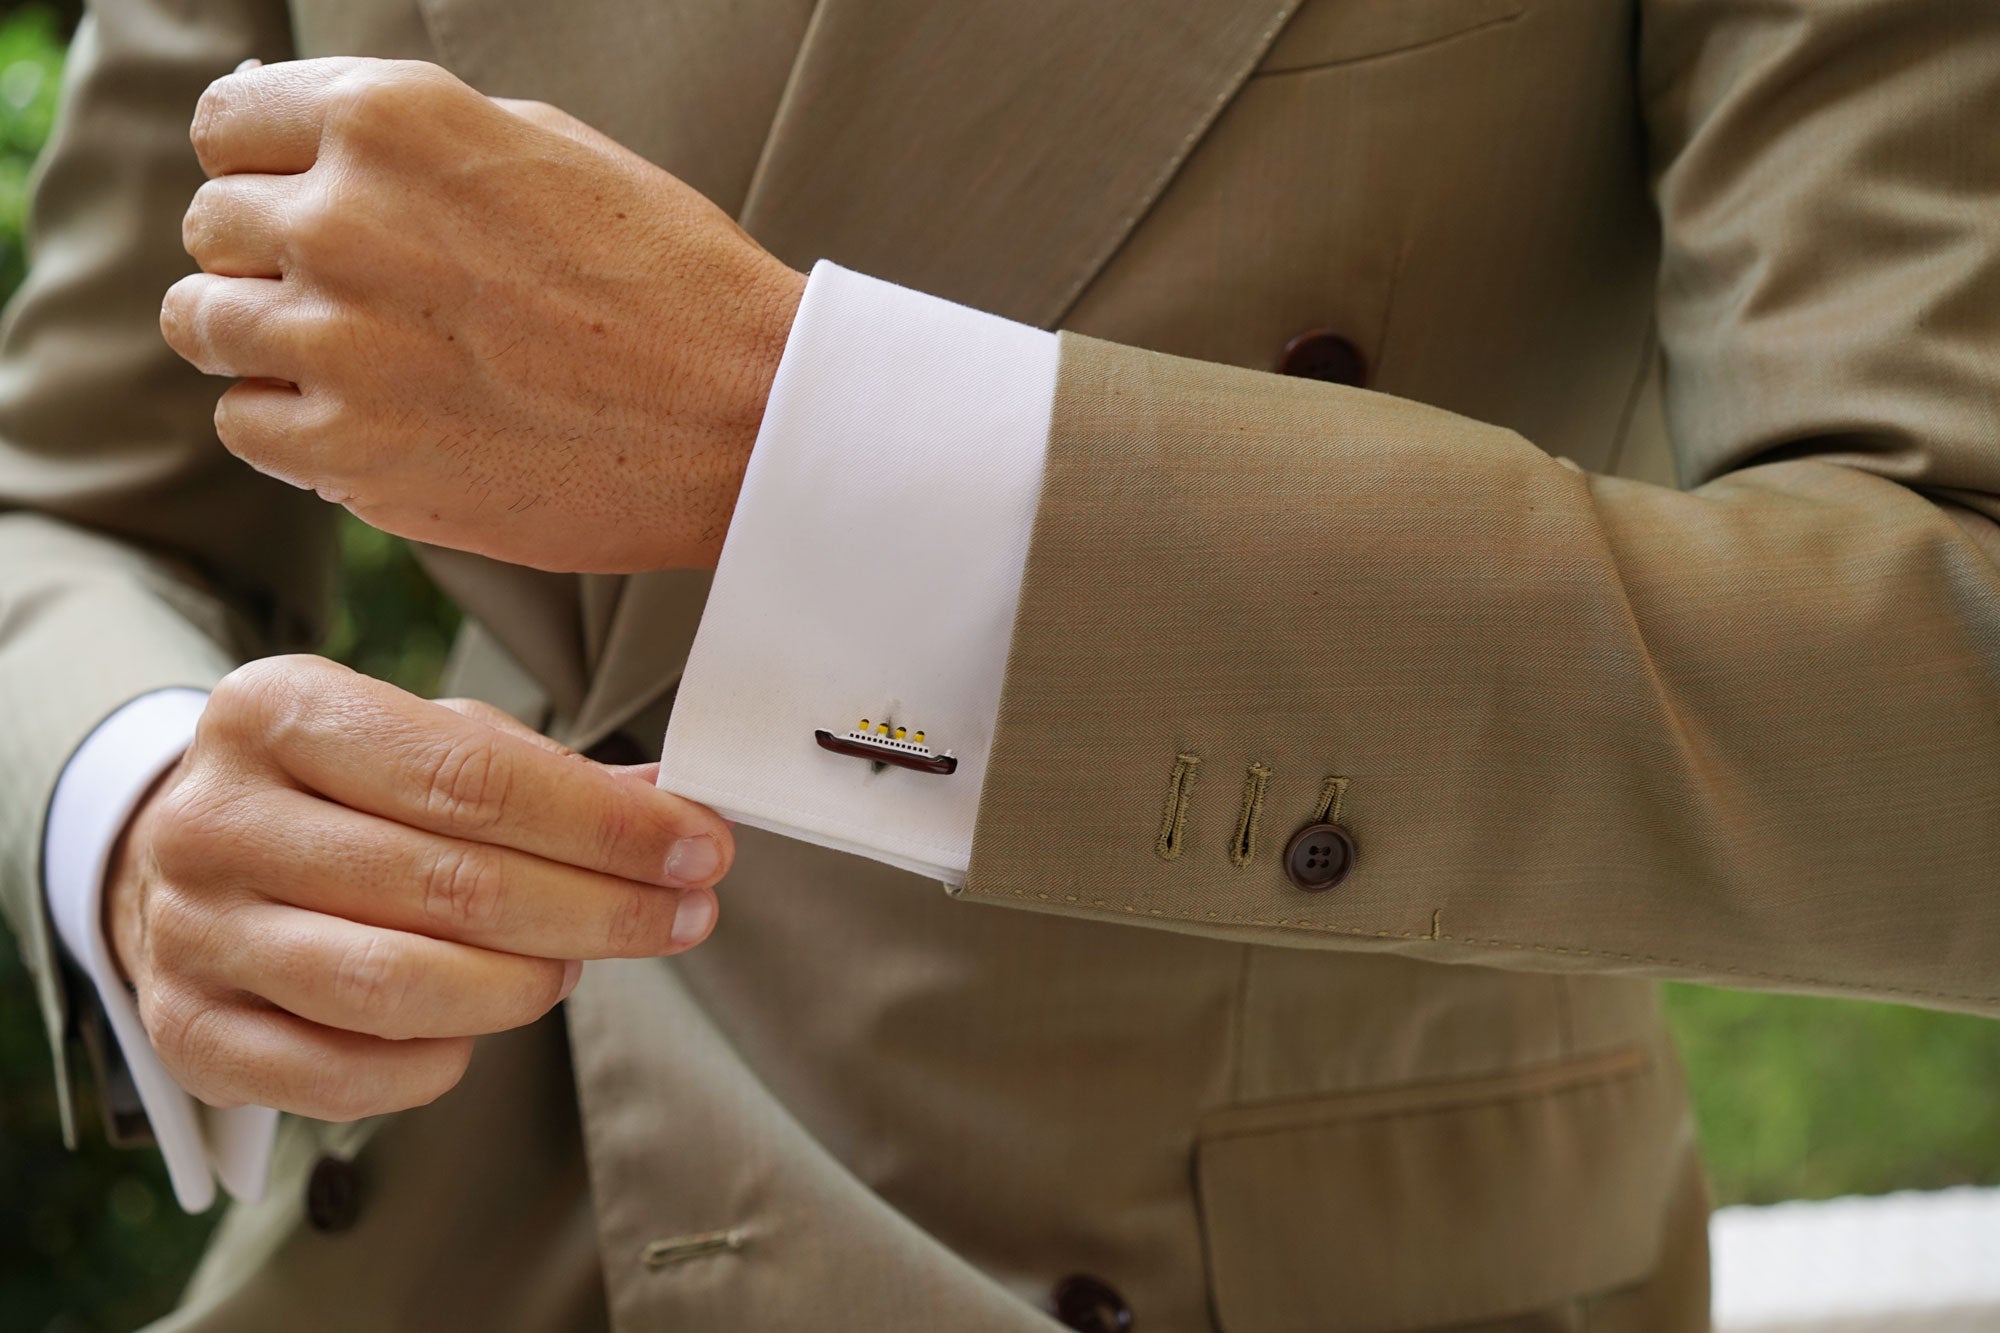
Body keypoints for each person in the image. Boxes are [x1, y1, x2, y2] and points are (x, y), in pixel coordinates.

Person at [3, 0, 1996, 1327]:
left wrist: (829, 443)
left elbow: (1947, 695)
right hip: (444, 1243)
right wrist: (142, 794)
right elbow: (71, 498)